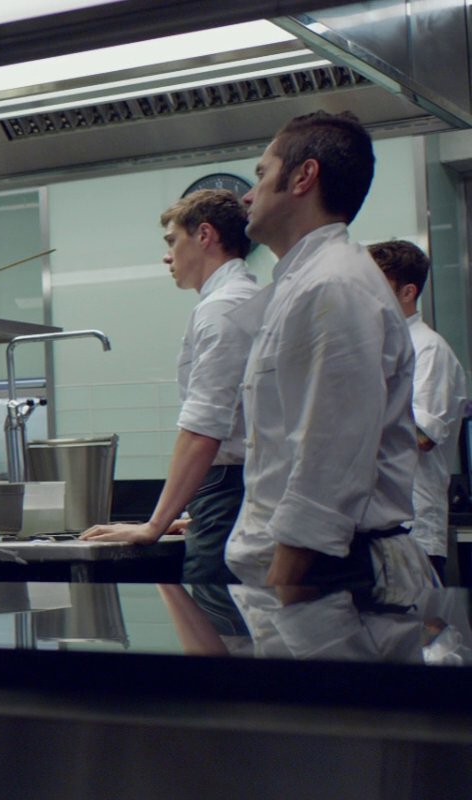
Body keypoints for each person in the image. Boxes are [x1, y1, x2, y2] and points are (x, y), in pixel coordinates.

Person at [228, 110, 431, 593]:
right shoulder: (308, 281)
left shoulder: (334, 285)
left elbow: (329, 462)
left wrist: (283, 587)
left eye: (261, 174)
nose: (248, 196)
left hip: (330, 573)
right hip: (311, 570)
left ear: (304, 177)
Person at [82, 190, 261, 596]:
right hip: (233, 490)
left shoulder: (223, 308)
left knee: (218, 619)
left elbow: (204, 429)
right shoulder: (244, 298)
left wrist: (153, 525)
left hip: (227, 488)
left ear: (205, 235)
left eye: (172, 241)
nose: (167, 257)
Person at [370, 239, 468, 580]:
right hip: (373, 523)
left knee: (414, 614)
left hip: (414, 528)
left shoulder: (429, 349)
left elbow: (422, 437)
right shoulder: (378, 346)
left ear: (408, 292)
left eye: (377, 285)